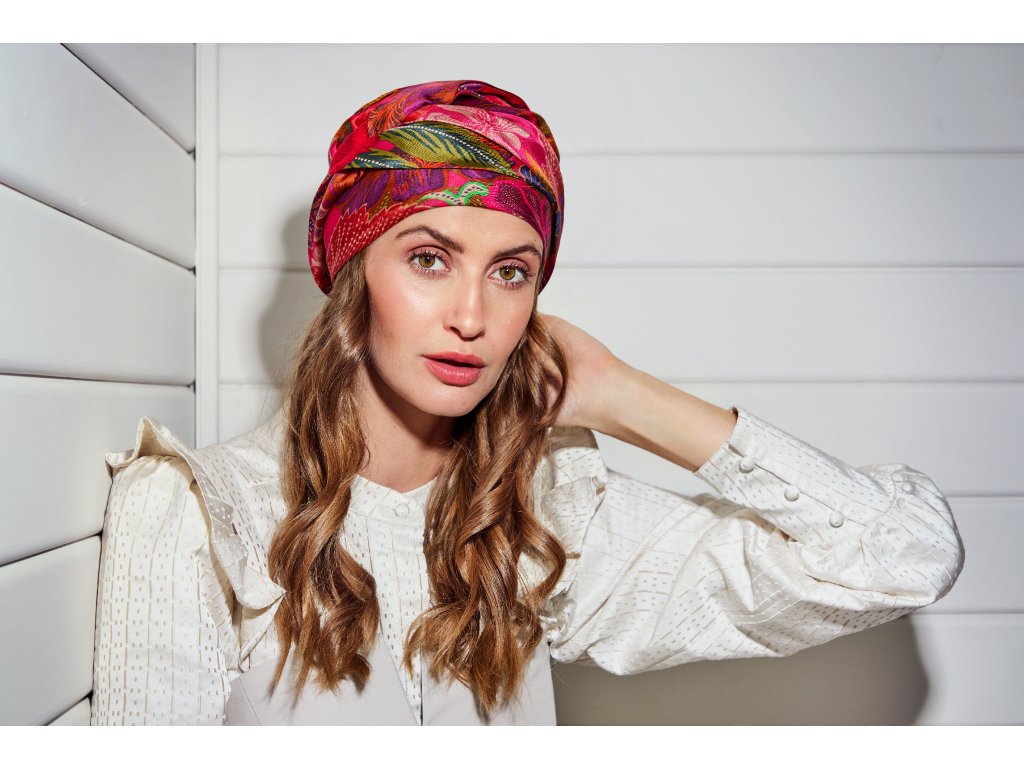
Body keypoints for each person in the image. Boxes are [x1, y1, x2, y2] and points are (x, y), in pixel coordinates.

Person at [90, 79, 966, 726]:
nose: (473, 316)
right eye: (429, 259)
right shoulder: (202, 515)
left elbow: (905, 555)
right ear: (354, 275)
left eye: (511, 273)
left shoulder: (542, 519)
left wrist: (619, 395)